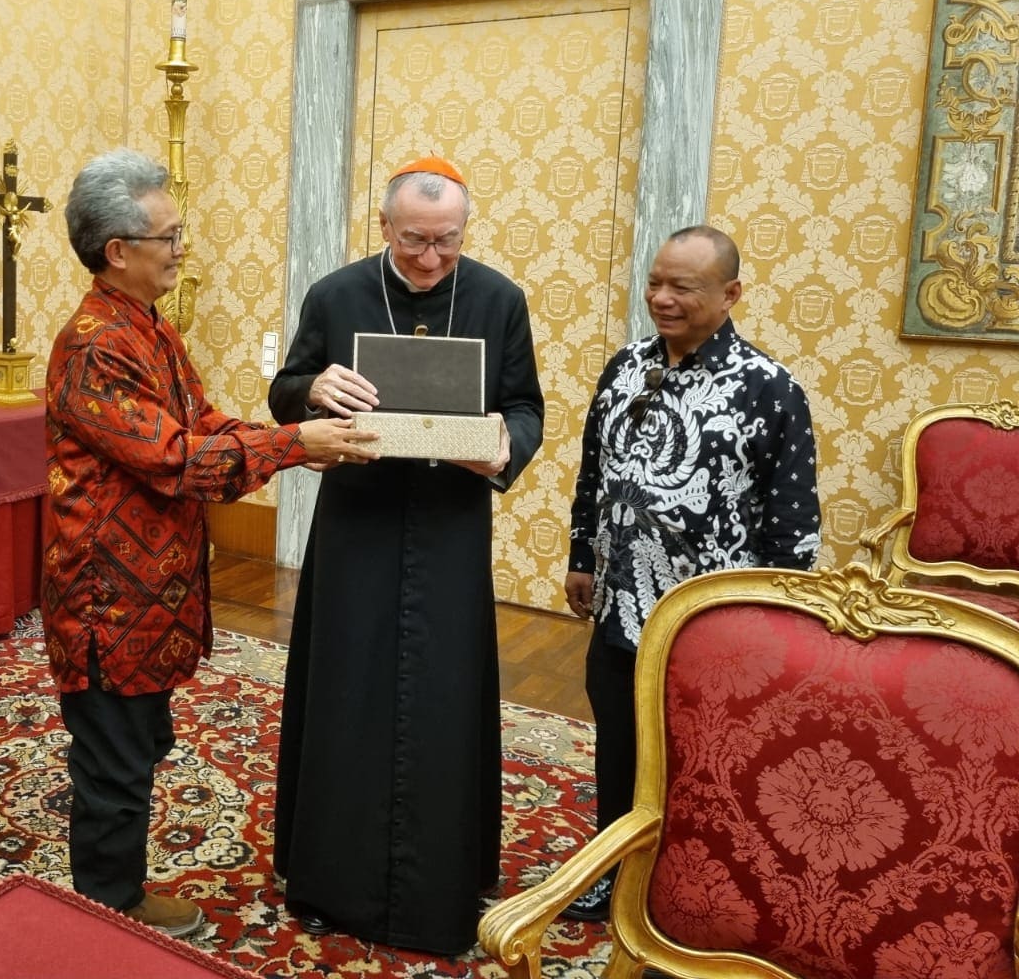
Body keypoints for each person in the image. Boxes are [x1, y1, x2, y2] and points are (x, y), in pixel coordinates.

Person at [44, 147, 379, 939]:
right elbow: (174, 459)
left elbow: (202, 421)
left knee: (137, 742)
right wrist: (298, 444)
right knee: (114, 763)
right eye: (170, 235)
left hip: (145, 591)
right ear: (118, 250)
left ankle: (110, 888)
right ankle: (105, 907)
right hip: (107, 600)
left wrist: (284, 433)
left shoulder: (148, 328)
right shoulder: (97, 343)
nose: (182, 248)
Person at [269, 155, 545, 955]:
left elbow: (526, 406)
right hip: (358, 524)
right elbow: (286, 388)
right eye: (416, 241)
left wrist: (505, 445)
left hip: (452, 529)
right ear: (384, 227)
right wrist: (314, 389)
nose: (431, 259)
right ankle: (327, 879)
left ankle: (444, 882)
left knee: (443, 698)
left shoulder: (499, 298)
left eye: (448, 243)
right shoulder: (336, 292)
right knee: (344, 689)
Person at [562, 225, 820, 921]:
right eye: (655, 283)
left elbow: (794, 528)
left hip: (713, 629)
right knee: (619, 746)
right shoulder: (624, 368)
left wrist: (772, 626)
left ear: (731, 294)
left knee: (700, 764)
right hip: (620, 611)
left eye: (683, 287)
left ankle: (687, 886)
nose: (661, 298)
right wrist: (583, 557)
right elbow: (595, 472)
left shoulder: (770, 390)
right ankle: (610, 869)